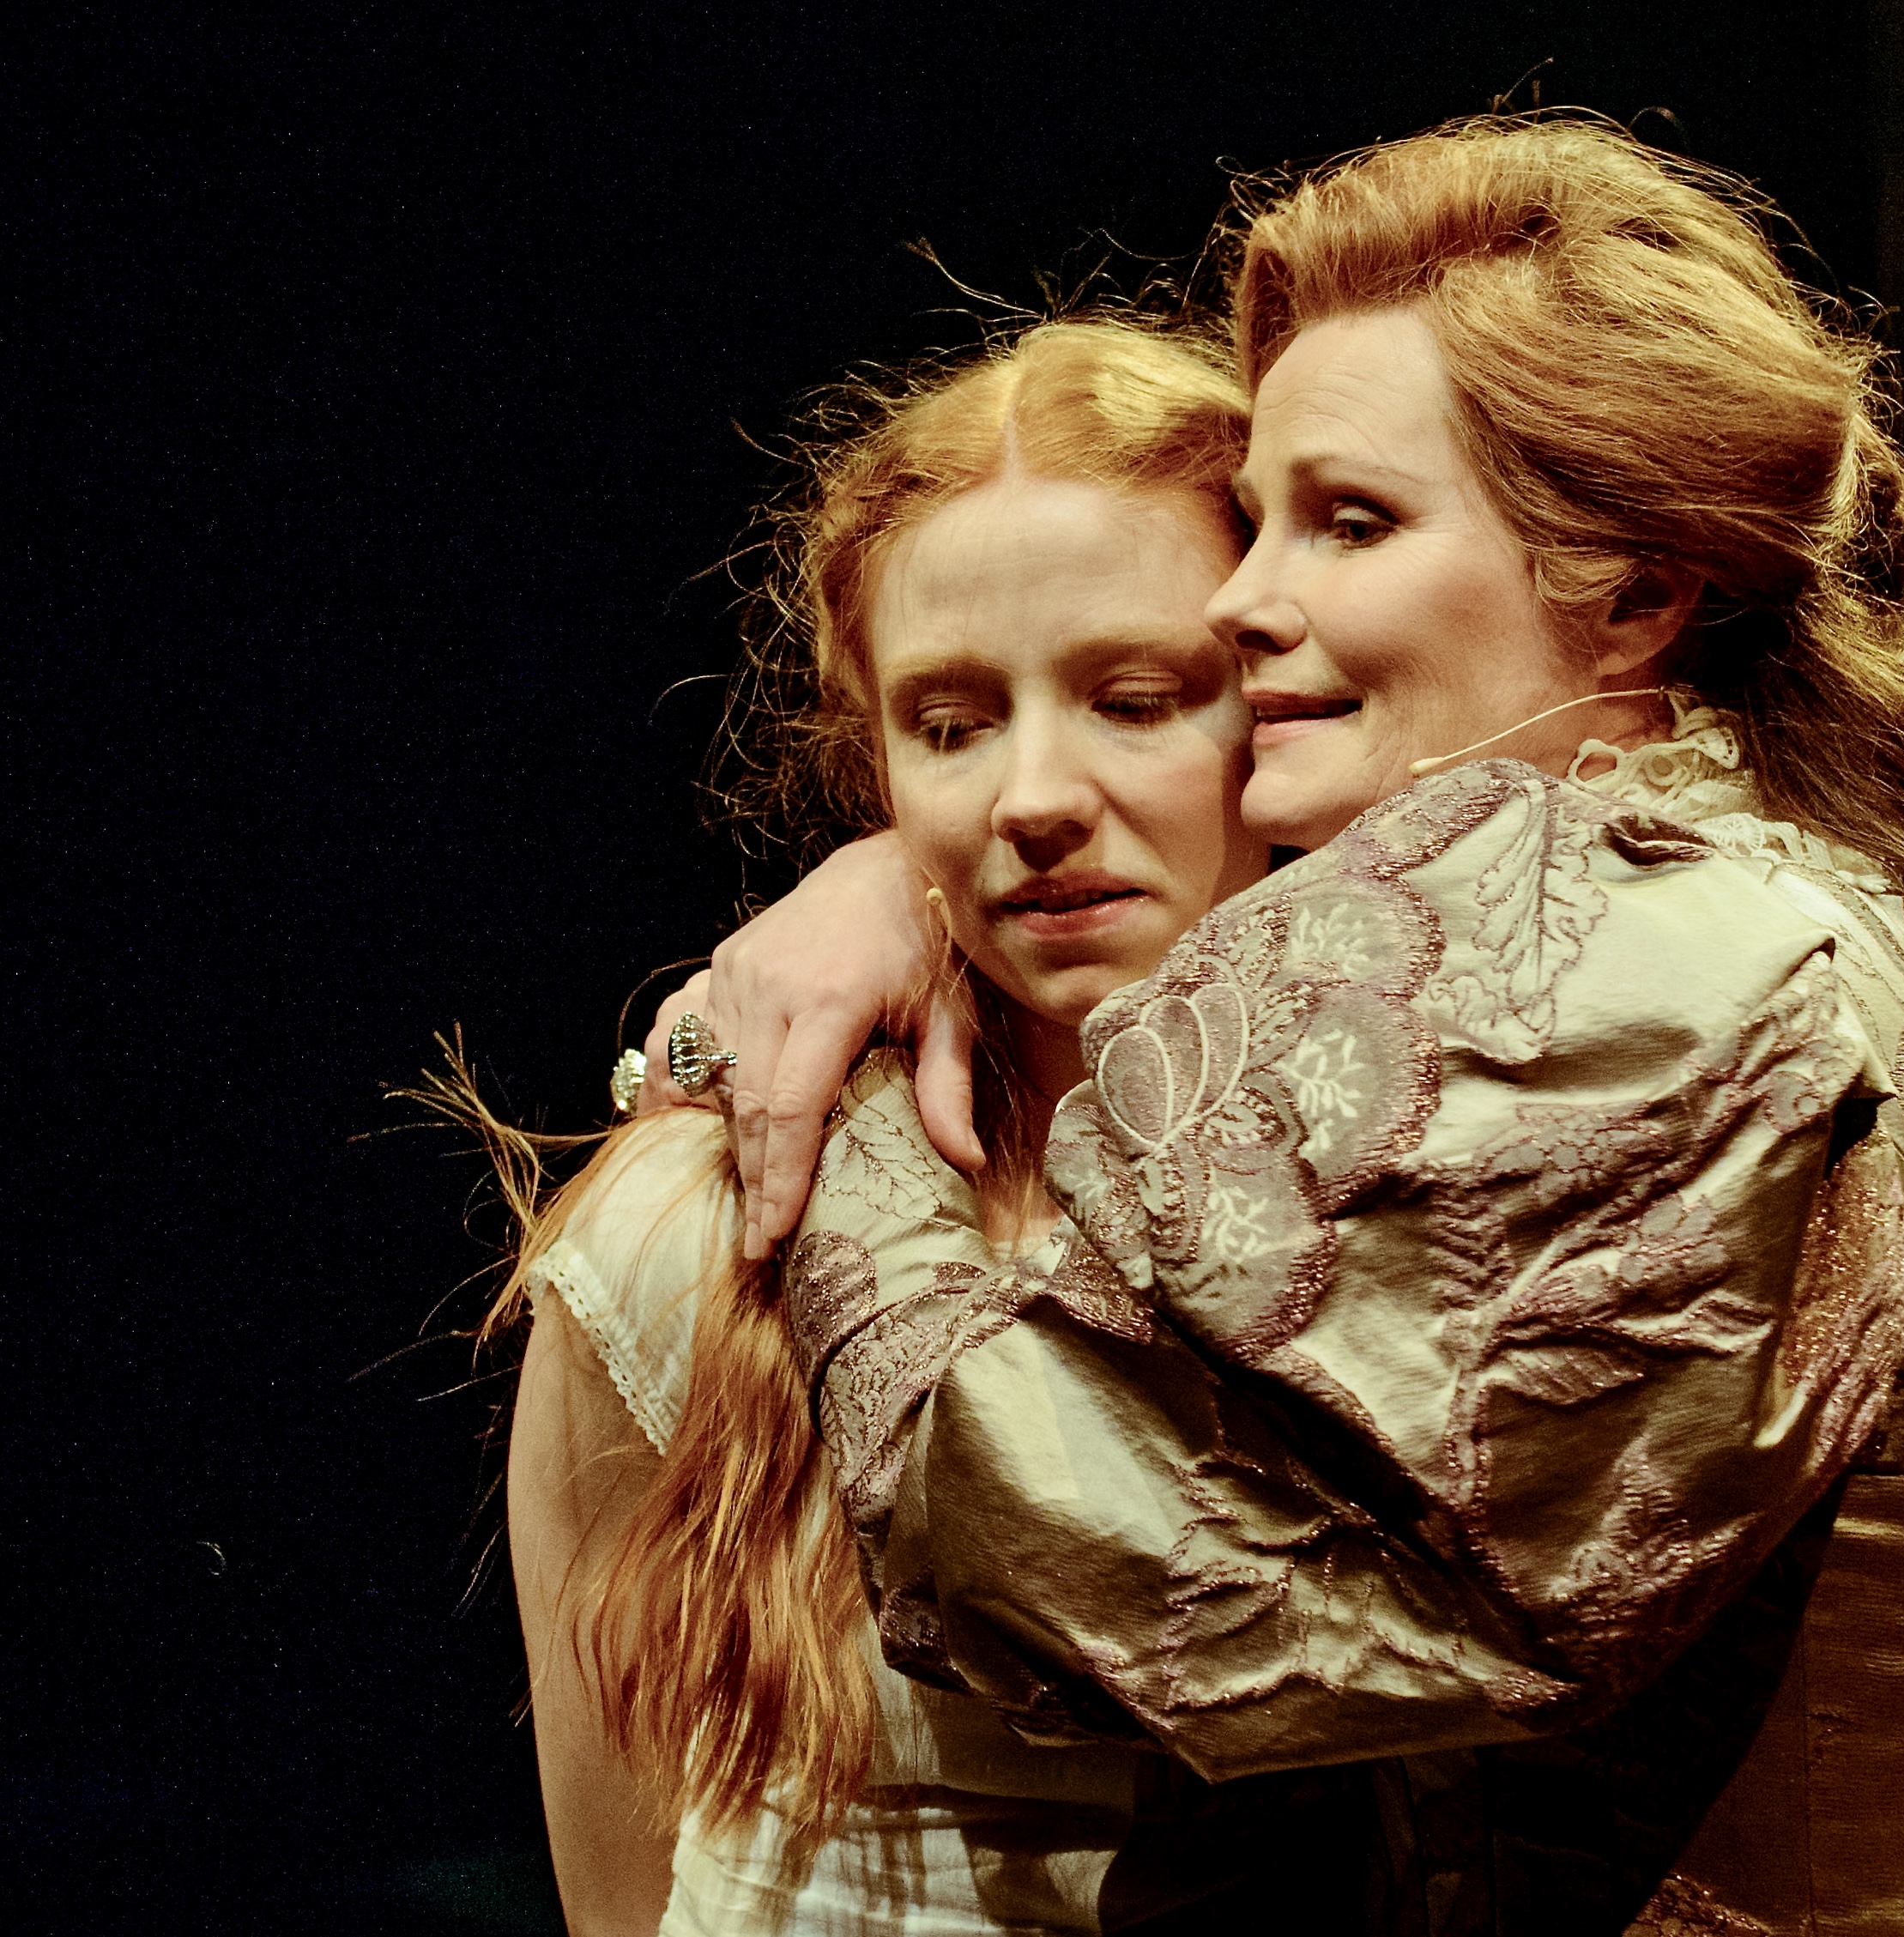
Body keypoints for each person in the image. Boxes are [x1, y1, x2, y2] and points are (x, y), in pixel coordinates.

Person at [643, 116, 1904, 1936]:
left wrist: (837, 1071)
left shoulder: (1650, 964)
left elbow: (1073, 1559)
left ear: (1634, 590)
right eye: (1263, 520)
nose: (1245, 600)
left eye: (1350, 522)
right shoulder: (1687, 903)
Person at [464, 317, 1316, 1934]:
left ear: (1287, 700)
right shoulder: (695, 1221)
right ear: (872, 757)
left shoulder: (1438, 1170)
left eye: (1135, 696)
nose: (1032, 795)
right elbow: (618, 1881)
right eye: (949, 721)